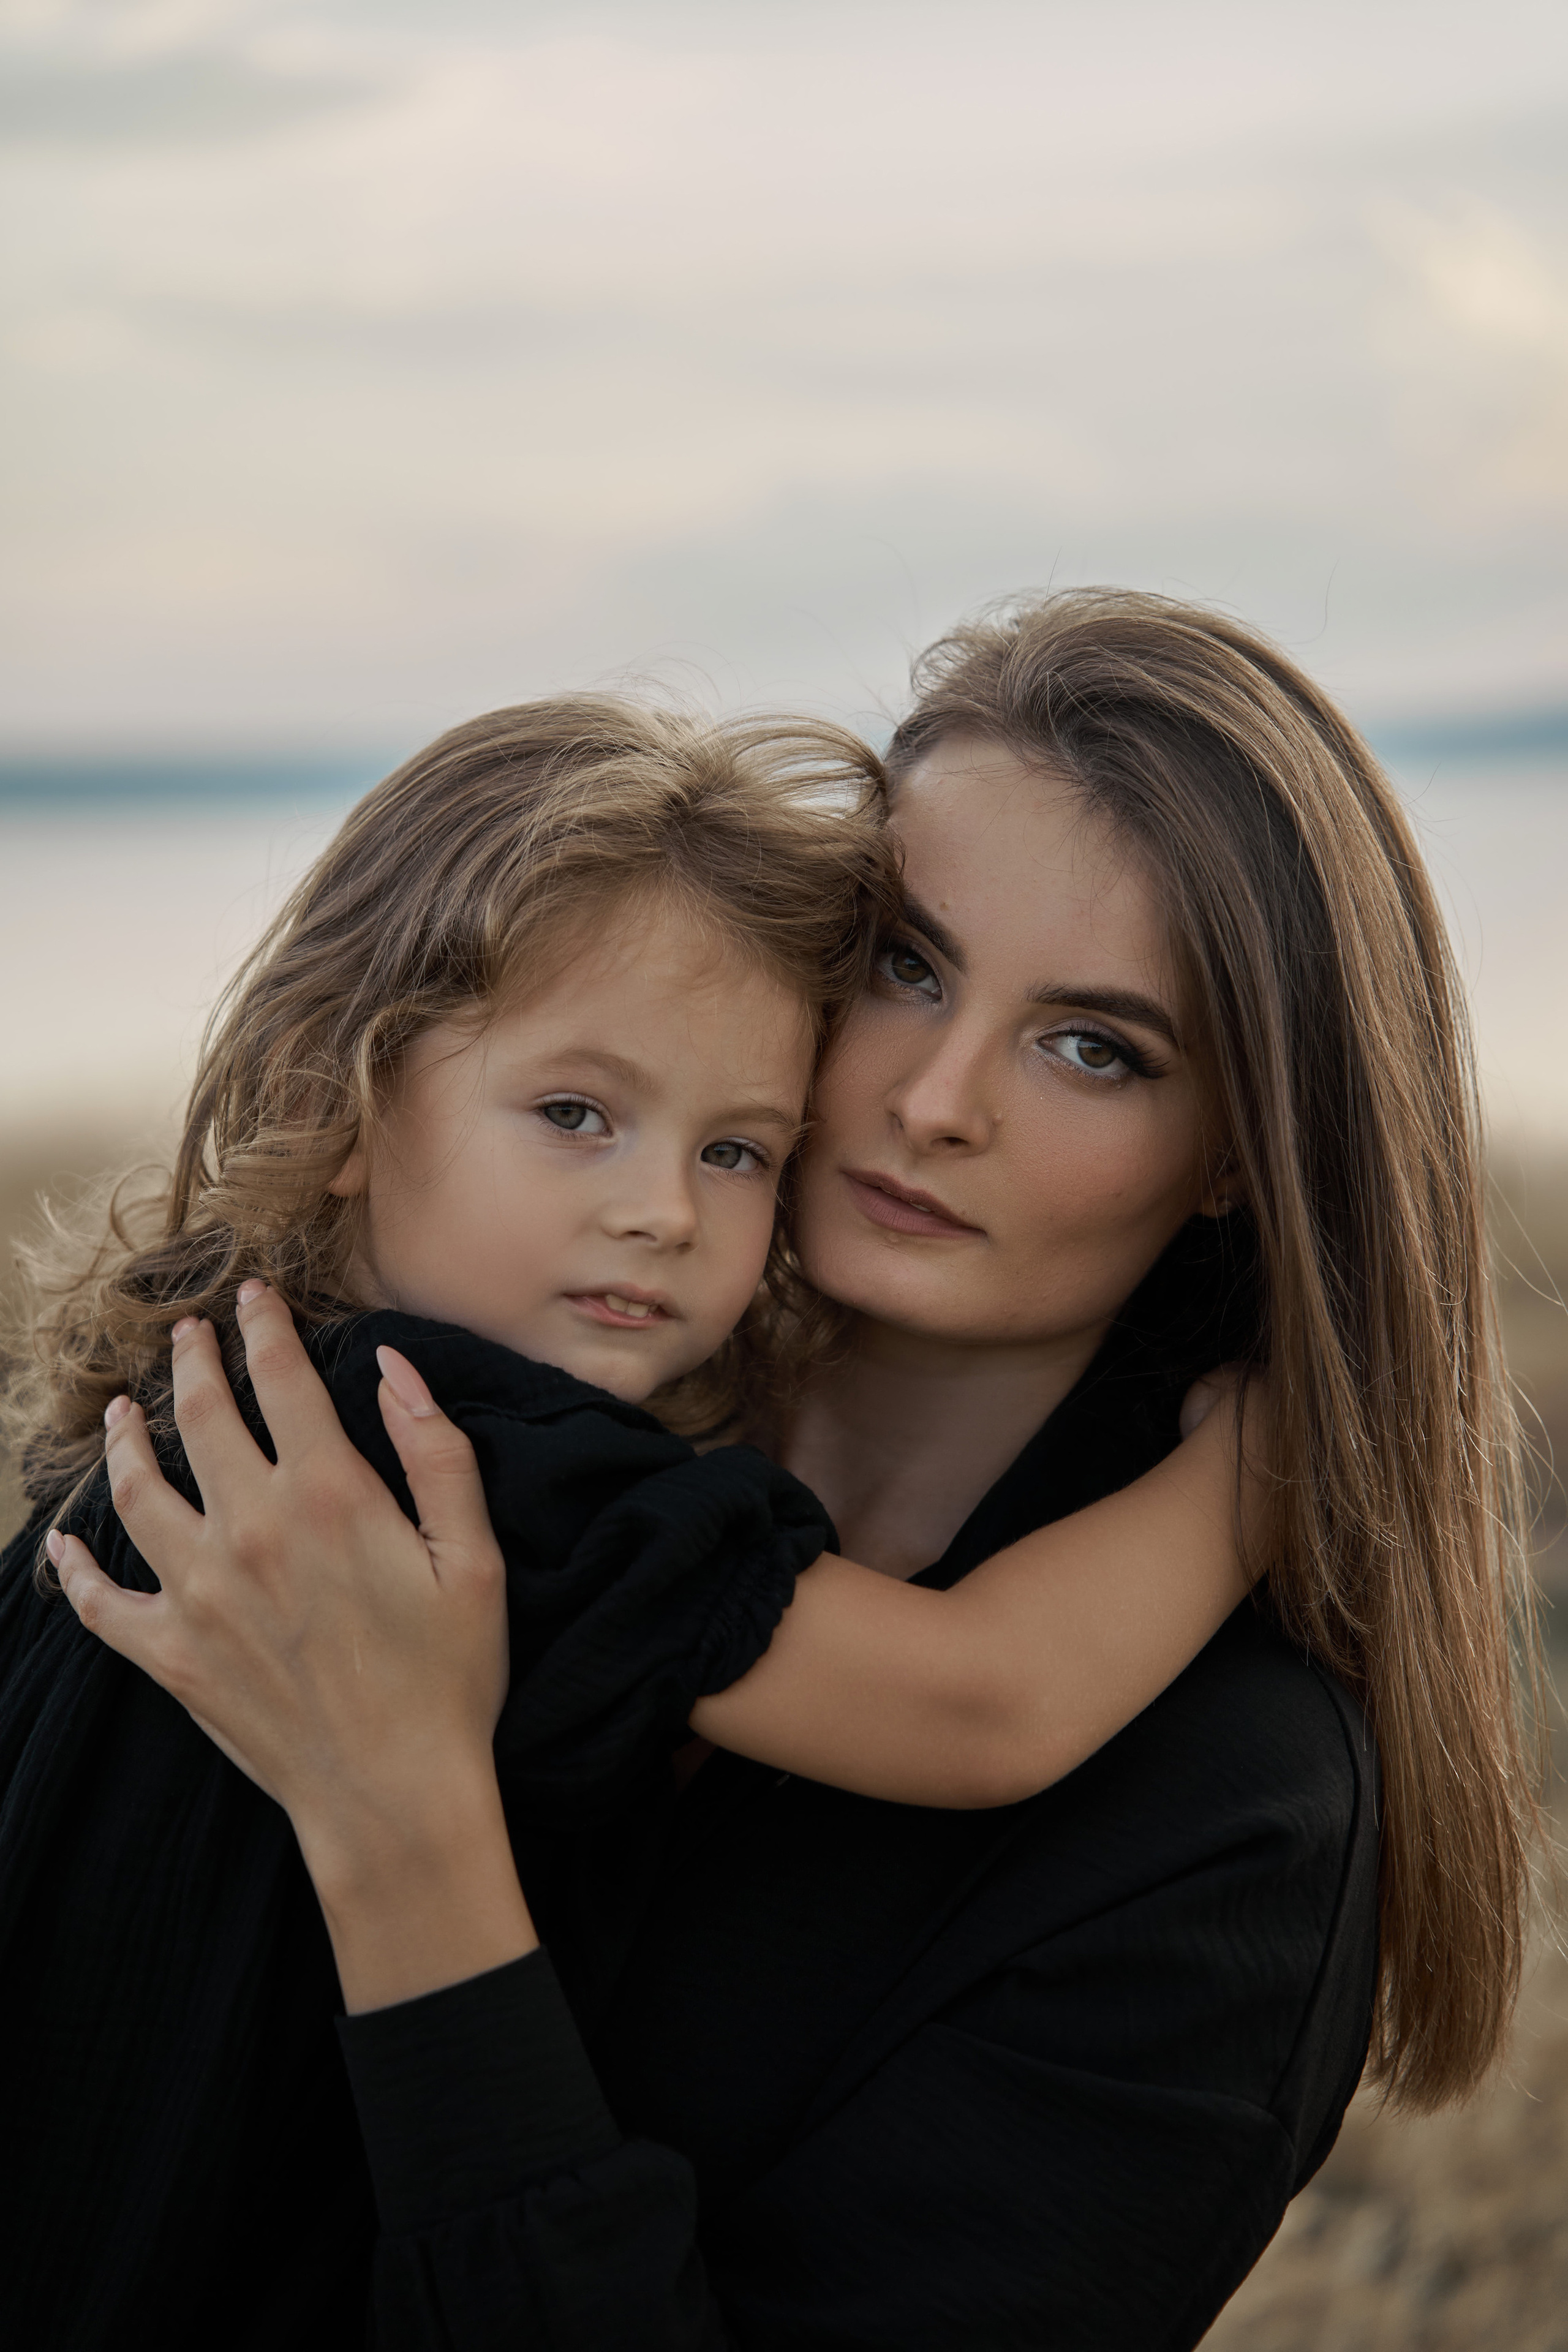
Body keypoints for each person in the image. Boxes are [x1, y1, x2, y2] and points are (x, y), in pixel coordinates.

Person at [41, 592, 1541, 2346]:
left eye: (1094, 1047)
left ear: (1240, 1156)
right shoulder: (468, 1411)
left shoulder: (1229, 1819)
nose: (934, 1098)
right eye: (907, 962)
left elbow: (988, 1707)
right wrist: (1259, 1471)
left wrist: (406, 1840)